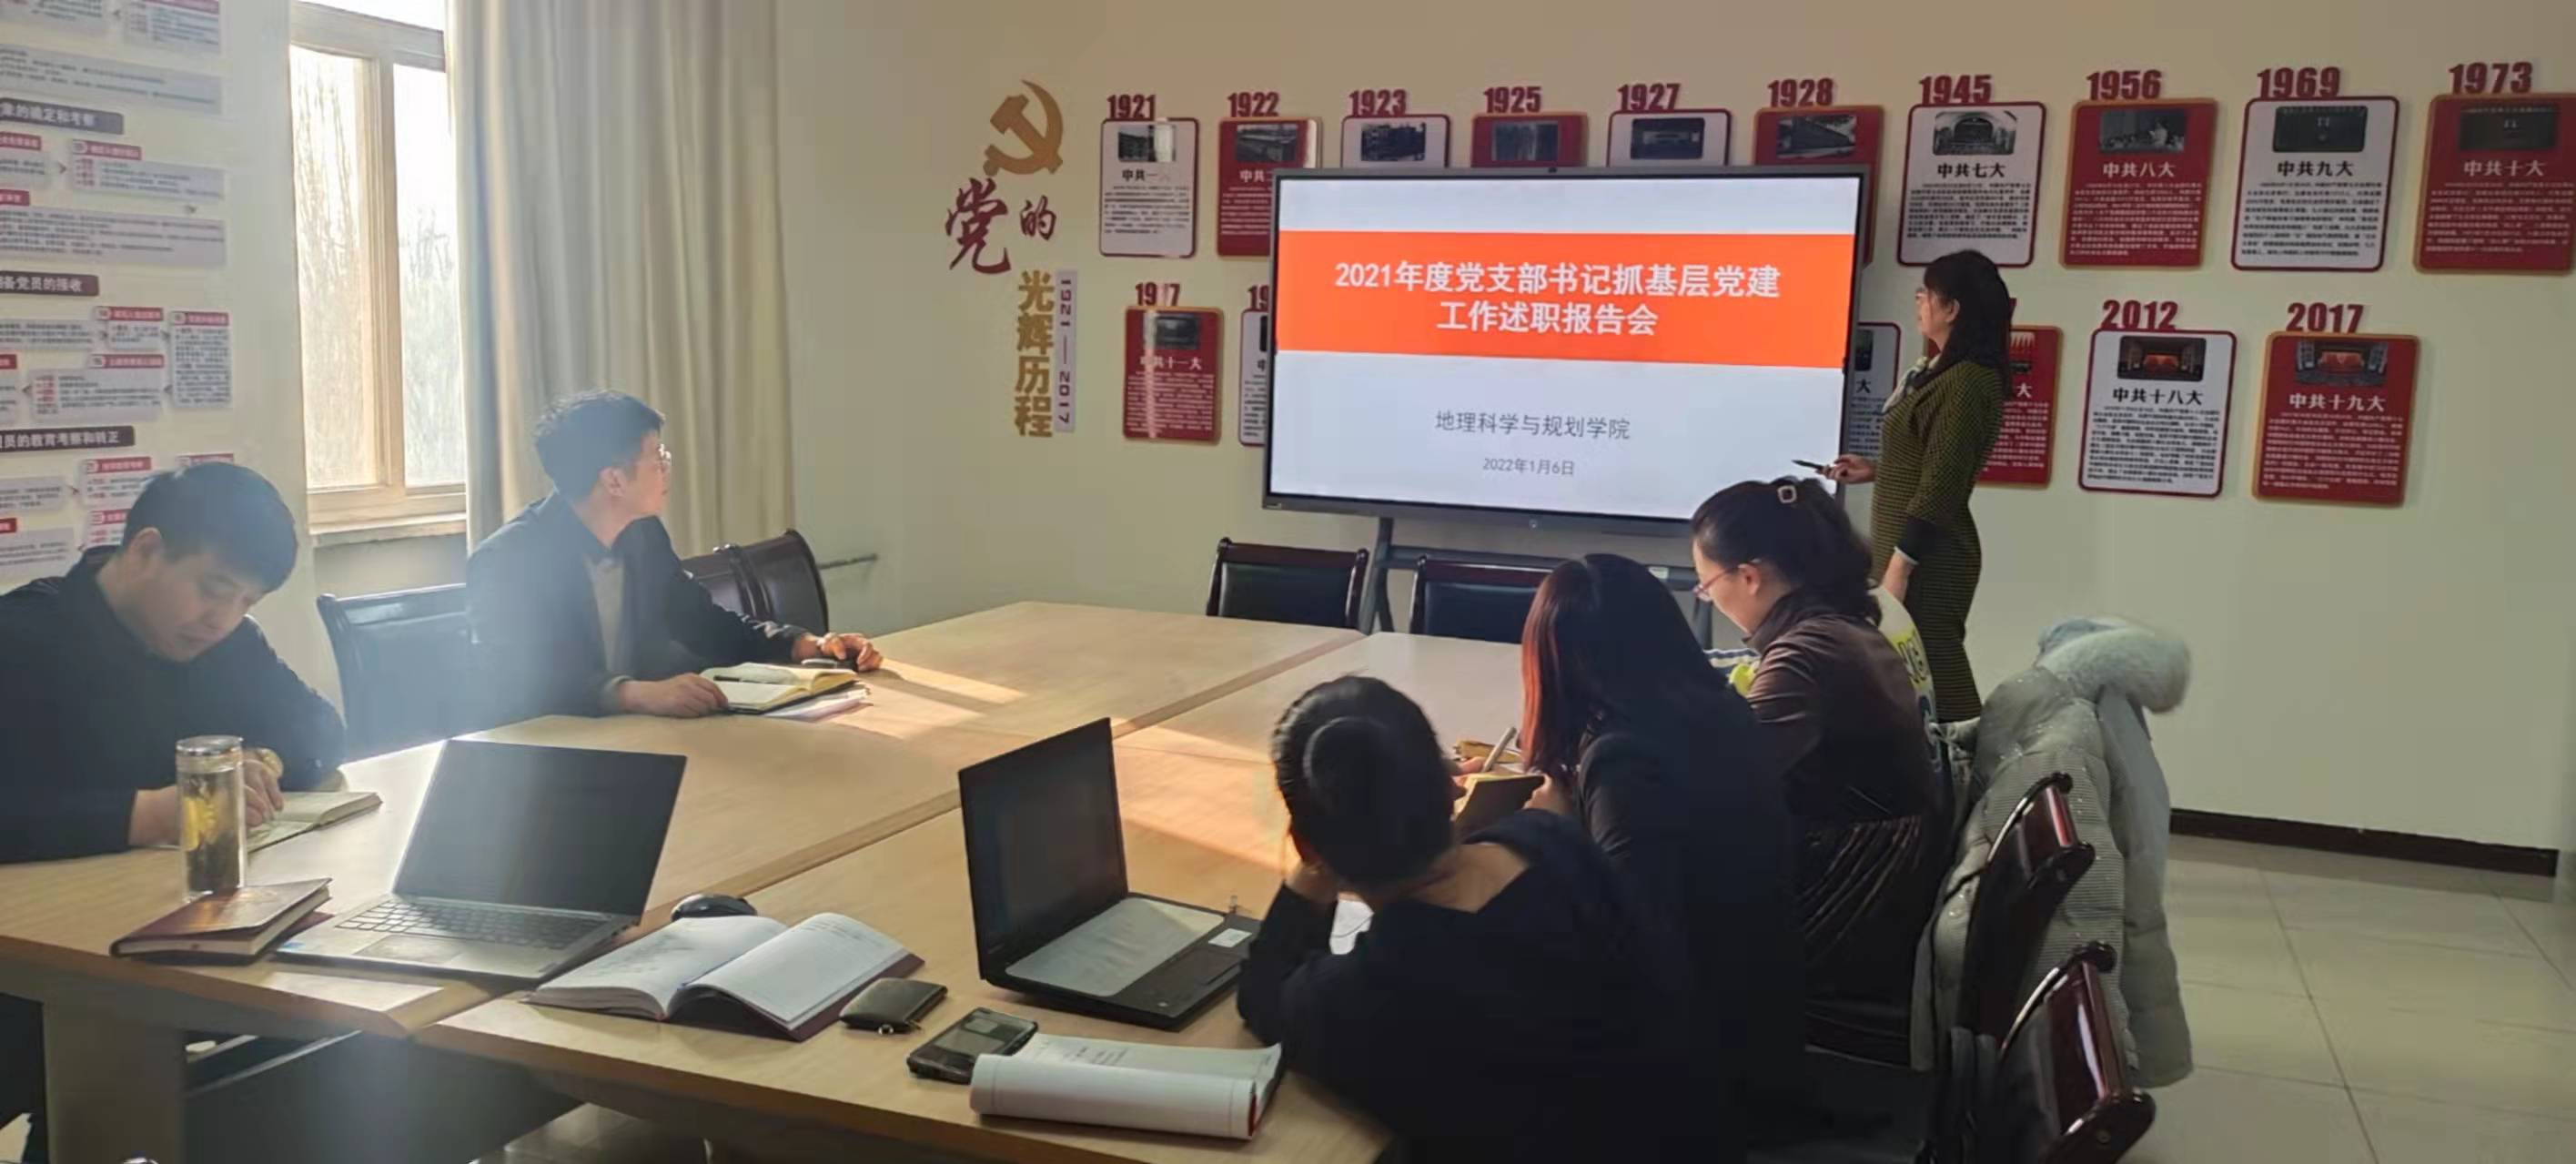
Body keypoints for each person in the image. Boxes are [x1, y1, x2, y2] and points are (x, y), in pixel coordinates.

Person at [0, 461, 348, 1162]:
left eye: (246, 601)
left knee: (324, 1042)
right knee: (98, 1063)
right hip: (31, 959)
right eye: (212, 589)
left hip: (174, 930)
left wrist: (263, 762)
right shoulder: (24, 638)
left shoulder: (227, 641)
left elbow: (319, 726)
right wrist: (151, 814)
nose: (223, 619)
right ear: (147, 548)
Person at [1238, 677, 1706, 1162]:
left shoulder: (1358, 995)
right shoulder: (1551, 840)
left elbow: (1263, 990)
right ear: (1452, 785)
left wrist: (1313, 864)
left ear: (1307, 845)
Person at [1517, 554, 1803, 1130]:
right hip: (1759, 1025)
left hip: (1694, 1075)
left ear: (1560, 660)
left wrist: (1551, 832)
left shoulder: (1623, 757)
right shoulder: (1717, 707)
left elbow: (1632, 934)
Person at [1692, 478, 1947, 1061]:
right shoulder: (1845, 626)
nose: (1710, 599)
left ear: (1749, 576)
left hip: (1852, 901)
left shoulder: (1806, 653)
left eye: (1707, 586)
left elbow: (1722, 782)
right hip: (1884, 878)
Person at [468, 391, 883, 724]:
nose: (666, 470)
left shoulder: (642, 534)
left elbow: (700, 620)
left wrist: (804, 644)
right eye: (657, 458)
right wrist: (634, 694)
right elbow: (524, 679)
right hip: (548, 755)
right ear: (614, 480)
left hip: (637, 738)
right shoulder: (508, 560)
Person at [1827, 248, 2009, 722]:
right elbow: (1927, 458)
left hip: (1927, 558)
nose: (1919, 303)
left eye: (1927, 294)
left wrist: (1899, 569)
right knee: (1907, 673)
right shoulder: (1940, 371)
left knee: (1935, 673)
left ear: (1953, 309)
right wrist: (1876, 469)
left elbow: (1941, 485)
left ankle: (1968, 761)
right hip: (1909, 552)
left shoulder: (1967, 382)